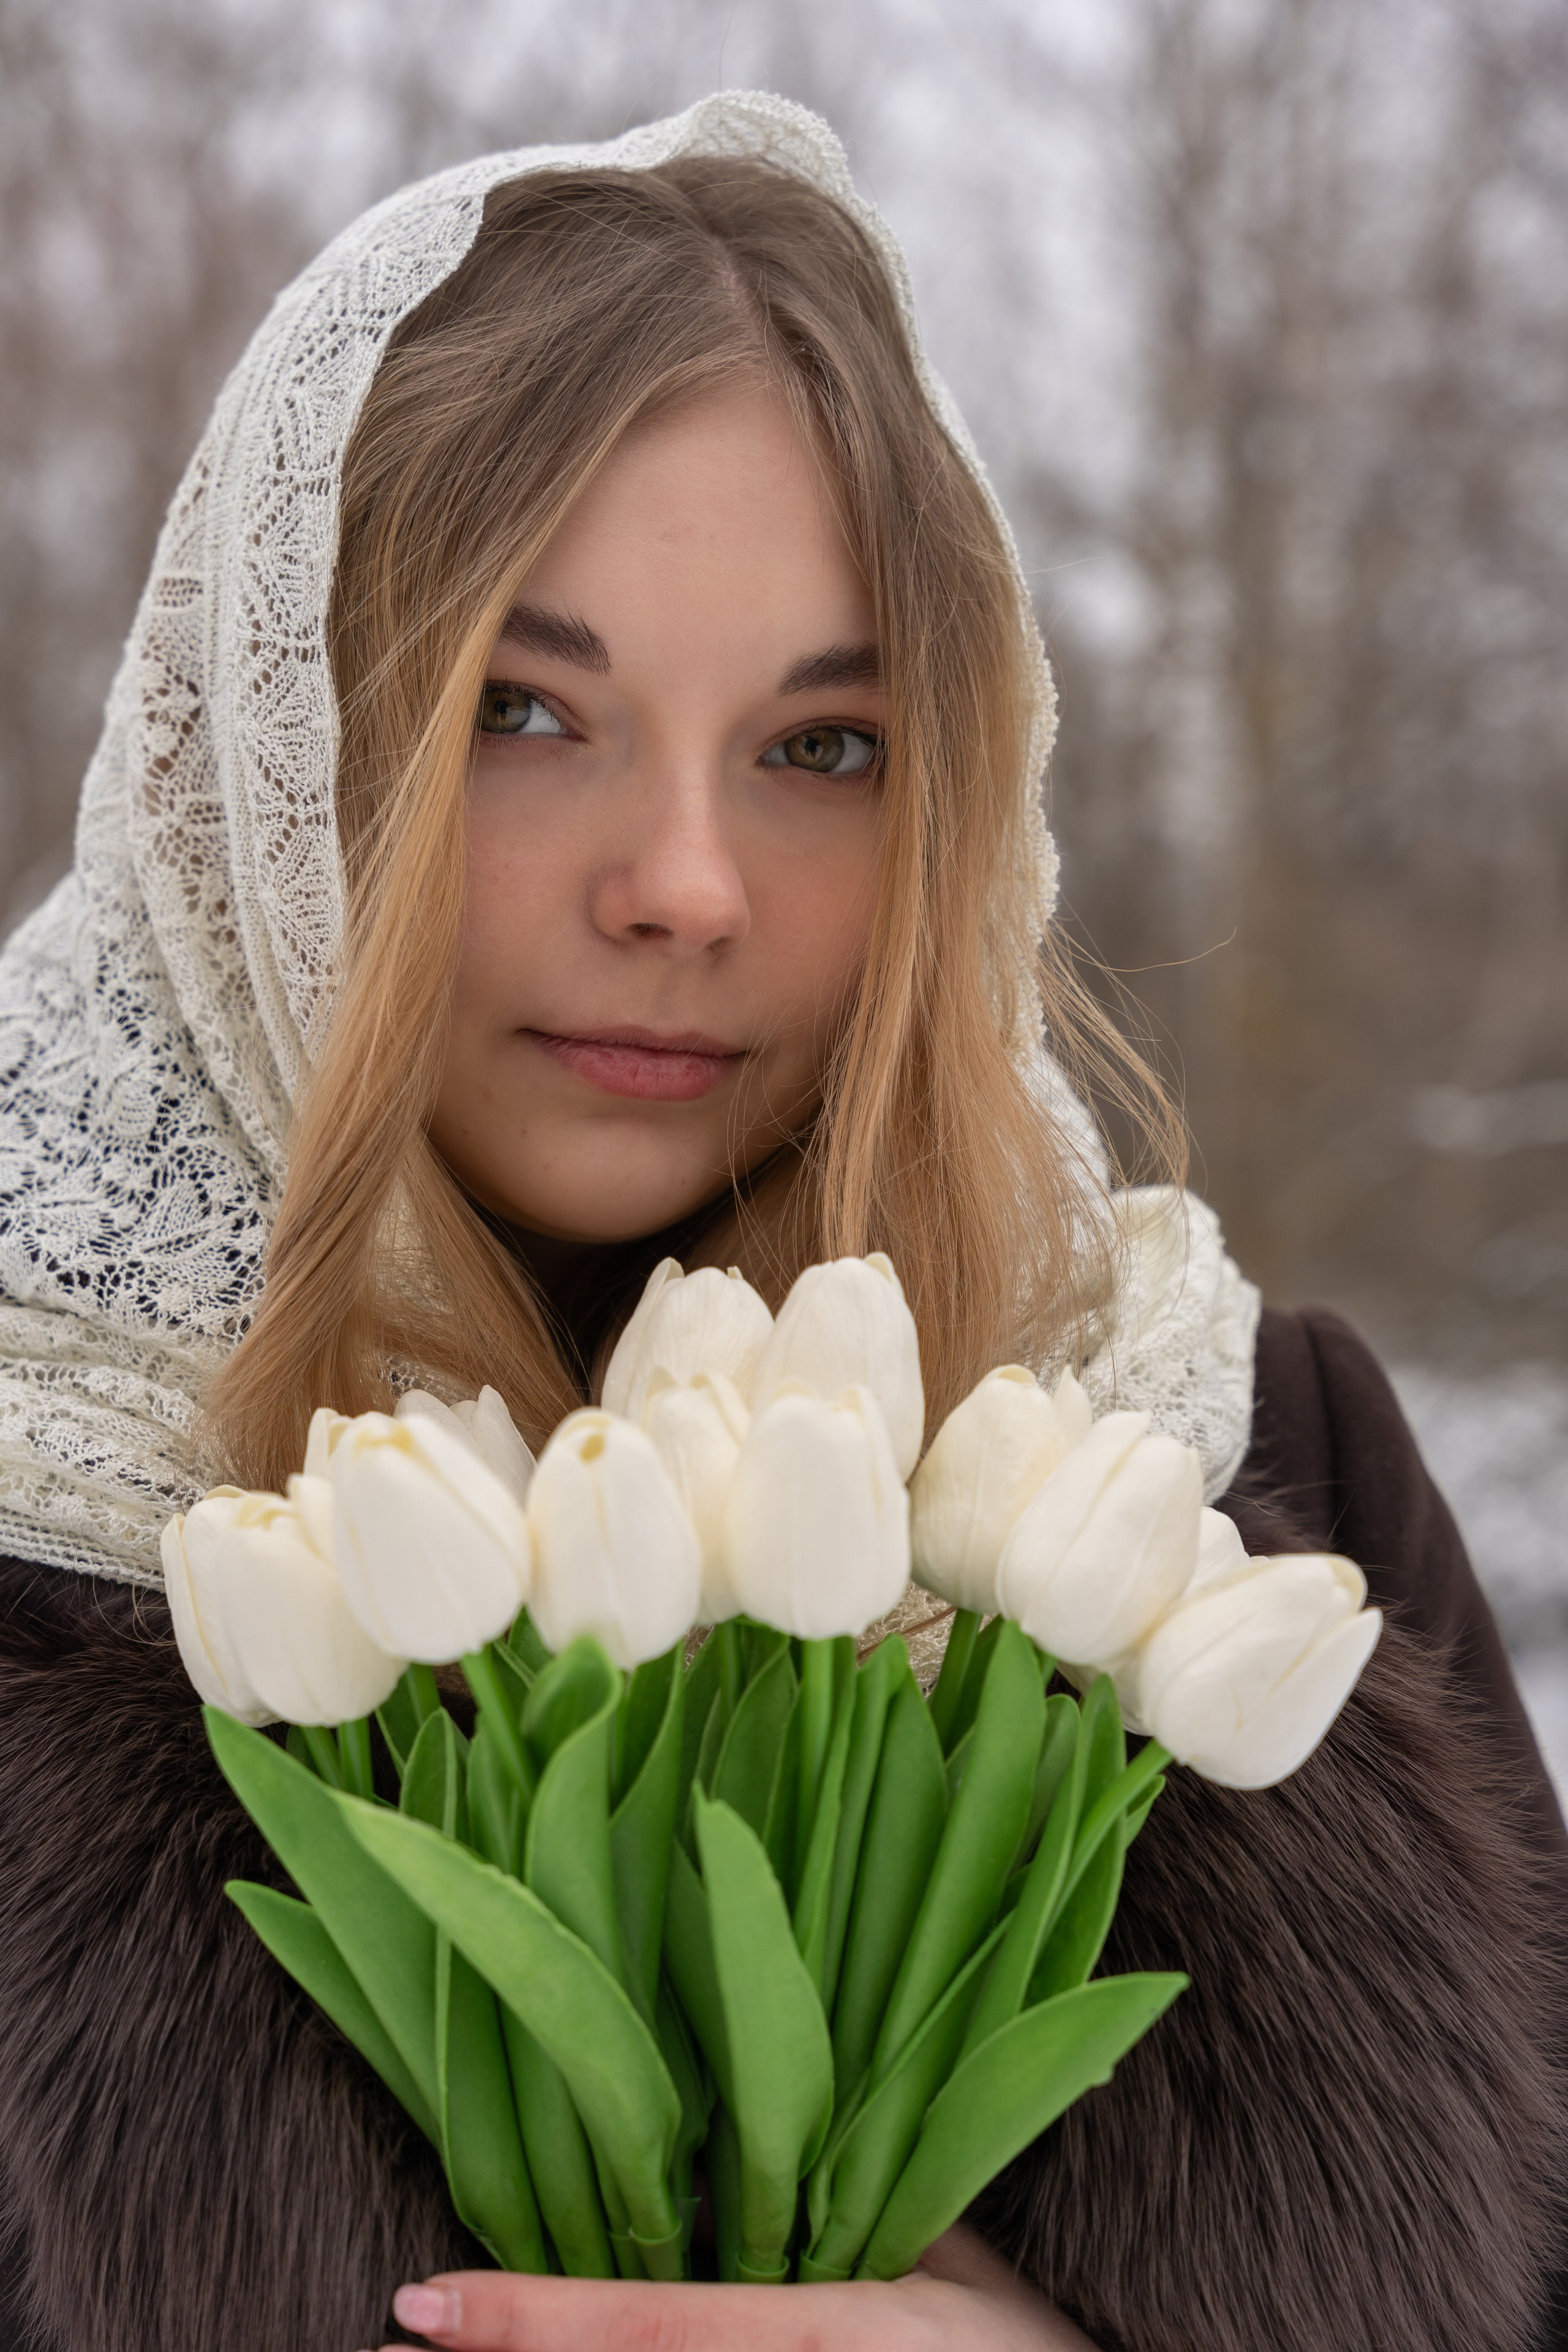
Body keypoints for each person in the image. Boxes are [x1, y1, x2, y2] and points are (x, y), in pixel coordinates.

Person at [0, 92, 1561, 2352]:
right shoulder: (47, 1512)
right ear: (265, 765)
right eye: (526, 712)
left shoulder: (1230, 1464)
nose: (688, 888)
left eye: (823, 747)